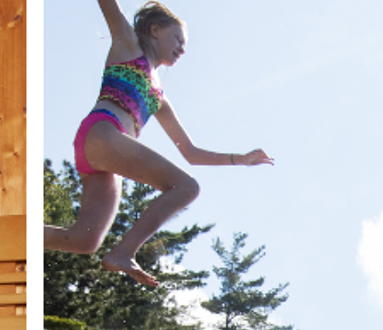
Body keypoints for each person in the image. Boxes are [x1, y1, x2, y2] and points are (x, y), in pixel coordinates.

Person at [43, 0, 273, 287]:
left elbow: (190, 152)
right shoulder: (128, 45)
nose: (182, 48)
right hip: (103, 132)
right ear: (155, 30)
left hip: (101, 151)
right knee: (187, 187)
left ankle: (19, 235)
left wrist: (240, 158)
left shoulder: (159, 98)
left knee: (84, 240)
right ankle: (125, 252)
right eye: (178, 39)